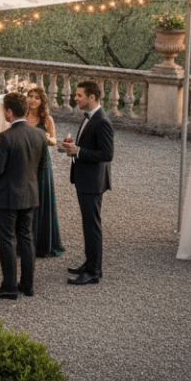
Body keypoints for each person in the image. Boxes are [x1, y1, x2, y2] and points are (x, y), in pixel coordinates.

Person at [0, 92, 47, 300]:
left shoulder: (5, 137)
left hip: (7, 197)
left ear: (9, 111)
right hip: (29, 194)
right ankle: (27, 285)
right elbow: (43, 167)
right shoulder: (39, 134)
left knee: (7, 241)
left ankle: (9, 286)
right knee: (26, 239)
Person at [59, 80, 113, 286]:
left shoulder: (102, 121)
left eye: (79, 95)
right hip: (85, 179)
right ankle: (90, 262)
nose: (75, 98)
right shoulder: (91, 117)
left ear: (91, 98)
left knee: (92, 226)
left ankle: (93, 271)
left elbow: (107, 154)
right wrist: (73, 148)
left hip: (93, 182)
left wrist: (79, 151)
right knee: (88, 224)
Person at [26, 84, 65, 258]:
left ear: (42, 101)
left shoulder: (47, 119)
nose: (32, 100)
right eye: (30, 96)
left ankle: (42, 243)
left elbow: (55, 140)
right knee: (25, 200)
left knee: (42, 199)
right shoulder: (23, 116)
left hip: (41, 162)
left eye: (36, 97)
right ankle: (25, 241)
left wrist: (49, 140)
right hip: (25, 162)